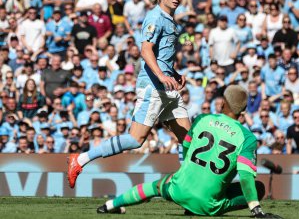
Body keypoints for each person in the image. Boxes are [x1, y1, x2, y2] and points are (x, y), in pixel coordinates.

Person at [67, 0, 191, 188]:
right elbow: (146, 50)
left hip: (167, 85)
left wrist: (174, 73)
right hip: (153, 85)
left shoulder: (170, 19)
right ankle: (79, 160)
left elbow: (162, 55)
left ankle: (187, 187)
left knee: (187, 137)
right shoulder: (155, 17)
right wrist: (161, 75)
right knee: (135, 139)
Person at [96, 85, 282, 218]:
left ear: (222, 104)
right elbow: (245, 177)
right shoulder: (247, 138)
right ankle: (205, 205)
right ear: (243, 110)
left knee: (155, 187)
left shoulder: (202, 119)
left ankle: (110, 205)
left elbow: (185, 148)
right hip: (206, 205)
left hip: (179, 190)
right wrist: (256, 210)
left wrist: (189, 172)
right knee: (259, 188)